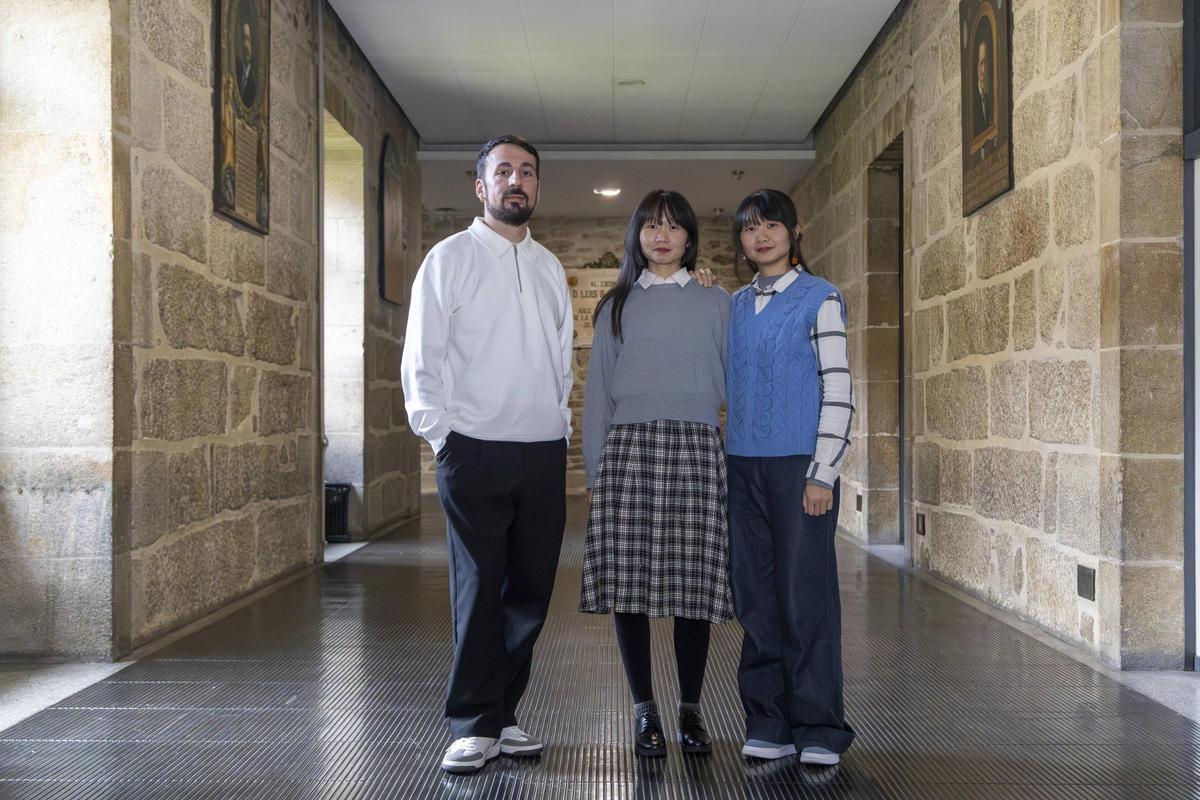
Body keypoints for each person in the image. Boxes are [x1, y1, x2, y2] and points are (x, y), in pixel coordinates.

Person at [401, 134, 573, 775]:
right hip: (473, 449)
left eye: (528, 171)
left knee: (528, 590)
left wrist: (558, 427)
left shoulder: (550, 267)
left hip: (541, 453)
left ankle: (504, 714)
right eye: (503, 171)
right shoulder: (449, 259)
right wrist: (442, 436)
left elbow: (561, 363)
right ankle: (473, 722)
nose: (516, 181)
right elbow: (423, 355)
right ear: (481, 187)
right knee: (478, 587)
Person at [580, 189, 731, 758]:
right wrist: (595, 470)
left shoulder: (719, 303)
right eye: (649, 226)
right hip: (628, 452)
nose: (660, 236)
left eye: (672, 227)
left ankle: (690, 709)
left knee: (694, 586)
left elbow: (735, 389)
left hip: (697, 450)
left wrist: (733, 463)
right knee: (630, 587)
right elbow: (596, 394)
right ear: (637, 236)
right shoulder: (616, 304)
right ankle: (644, 711)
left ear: (690, 237)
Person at [725, 189, 855, 766]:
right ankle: (769, 720)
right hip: (741, 467)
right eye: (751, 229)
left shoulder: (820, 299)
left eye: (772, 225)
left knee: (806, 598)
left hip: (799, 468)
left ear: (793, 231)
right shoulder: (731, 305)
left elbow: (839, 391)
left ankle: (819, 728)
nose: (762, 237)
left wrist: (823, 472)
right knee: (755, 599)